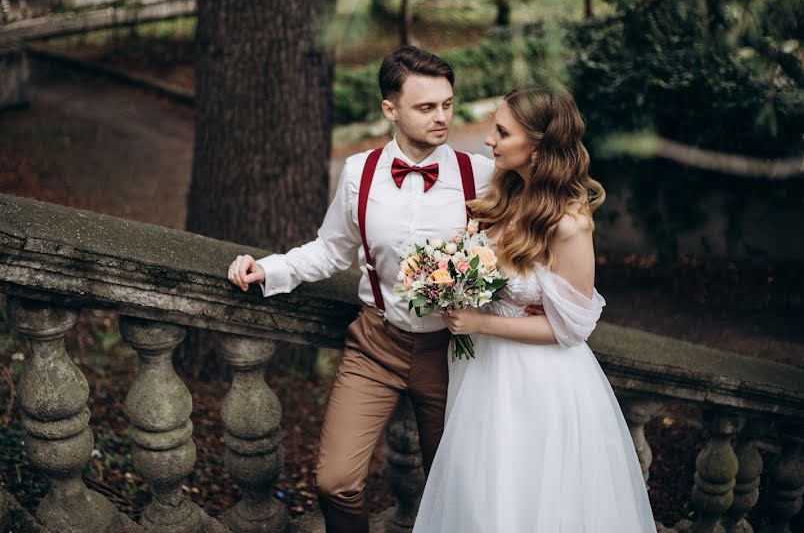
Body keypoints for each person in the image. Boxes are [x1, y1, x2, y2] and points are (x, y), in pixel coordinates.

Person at [227, 46, 495, 533]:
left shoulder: (479, 175)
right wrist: (266, 269)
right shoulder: (360, 174)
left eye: (448, 104)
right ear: (389, 109)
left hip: (453, 353)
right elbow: (330, 251)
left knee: (455, 485)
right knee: (335, 481)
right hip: (377, 344)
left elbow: (530, 234)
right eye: (426, 107)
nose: (442, 118)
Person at [412, 85, 657, 532]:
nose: (489, 140)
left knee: (531, 502)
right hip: (483, 374)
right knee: (481, 497)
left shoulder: (569, 224)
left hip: (538, 384)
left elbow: (572, 329)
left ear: (538, 148)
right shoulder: (504, 195)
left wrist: (479, 320)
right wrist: (448, 283)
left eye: (502, 133)